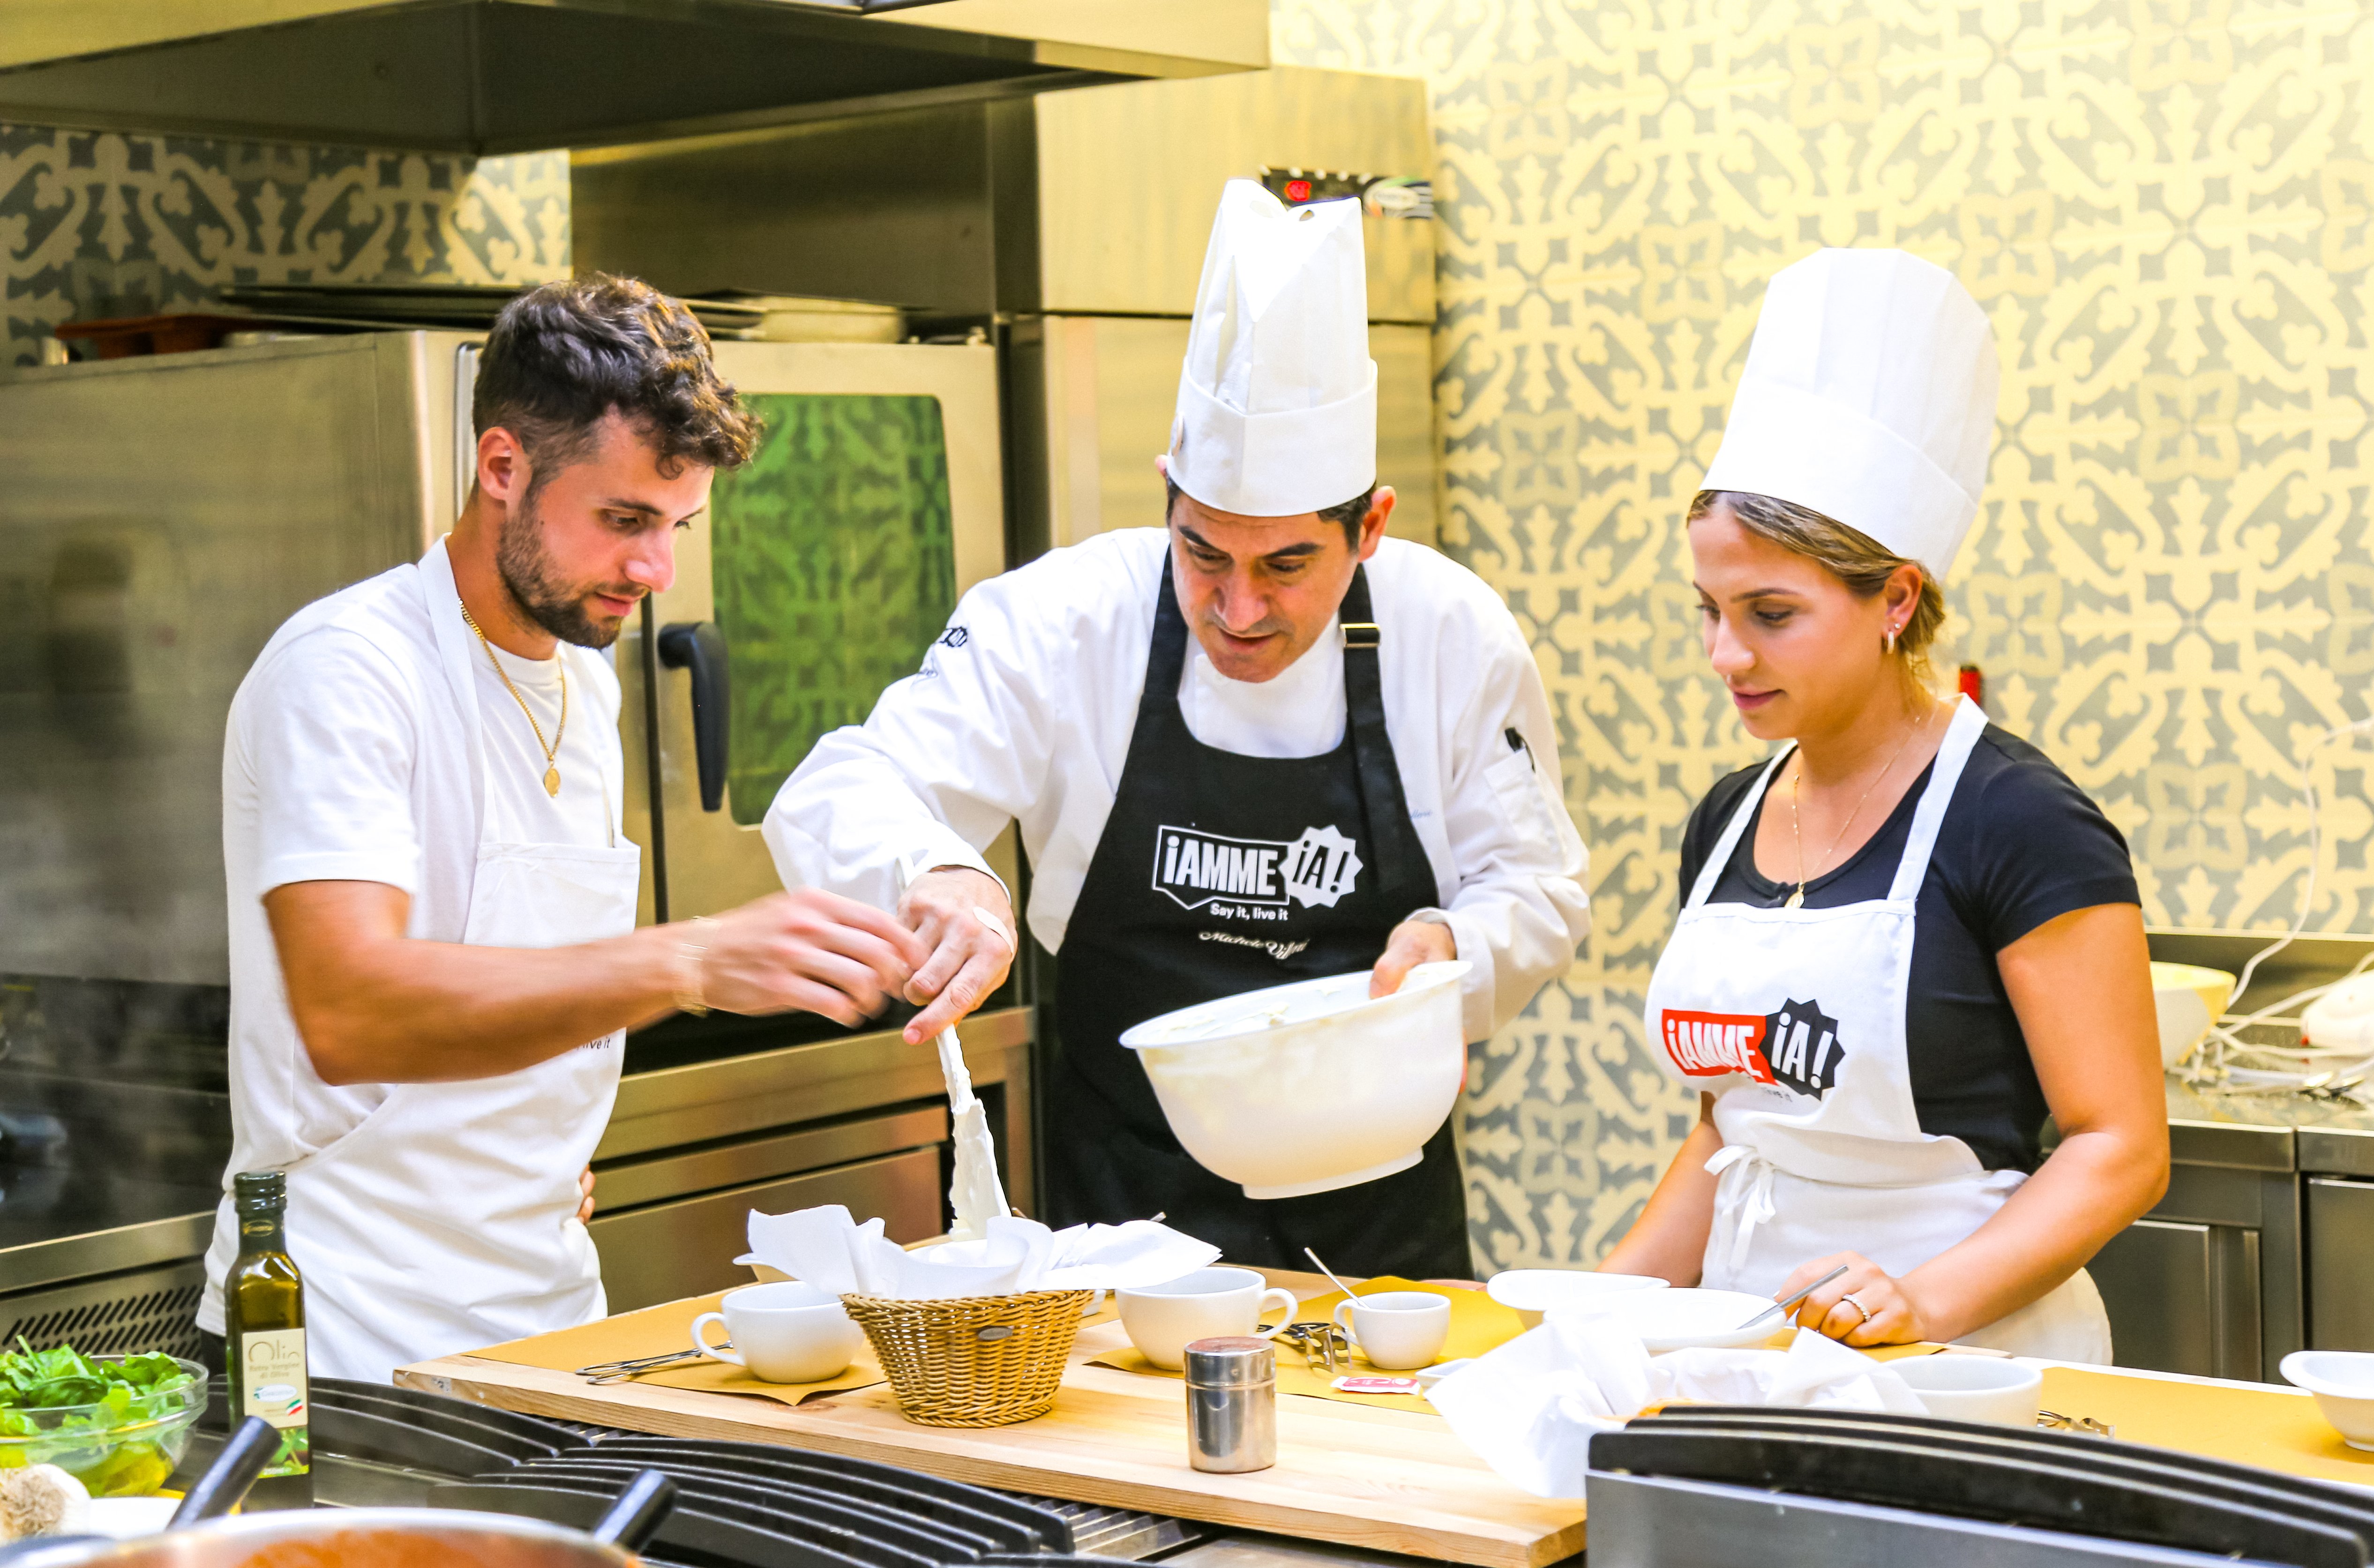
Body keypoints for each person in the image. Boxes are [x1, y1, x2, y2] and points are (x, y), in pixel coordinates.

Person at [765, 180, 1589, 1275]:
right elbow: (836, 783)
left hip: (1384, 1227)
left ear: (1371, 526)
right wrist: (942, 870)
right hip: (1121, 1228)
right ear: (1165, 494)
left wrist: (1455, 950)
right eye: (1203, 553)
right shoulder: (1065, 619)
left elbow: (1534, 885)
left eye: (1287, 565)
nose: (1238, 610)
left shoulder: (1449, 632)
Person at [200, 276, 929, 1381]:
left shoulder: (587, 690)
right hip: (347, 1345)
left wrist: (533, 1141)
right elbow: (350, 1010)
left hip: (548, 1329)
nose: (655, 571)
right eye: (624, 520)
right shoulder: (347, 671)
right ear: (503, 468)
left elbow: (527, 990)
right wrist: (690, 956)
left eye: (678, 526)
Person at [1598, 249, 2169, 1361]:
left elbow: (2121, 1146)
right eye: (1708, 610)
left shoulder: (2015, 818)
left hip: (1969, 1361)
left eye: (1770, 612)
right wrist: (1595, 1308)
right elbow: (1729, 1133)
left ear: (1895, 599)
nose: (1726, 654)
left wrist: (1923, 1304)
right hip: (1751, 1348)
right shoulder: (1727, 820)